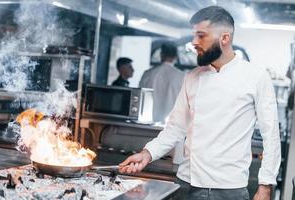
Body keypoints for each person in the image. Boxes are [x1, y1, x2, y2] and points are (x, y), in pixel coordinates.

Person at [119, 6, 281, 200]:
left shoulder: (256, 77)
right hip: (186, 184)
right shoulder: (192, 77)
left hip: (229, 190)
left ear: (225, 38)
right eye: (194, 35)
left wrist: (265, 185)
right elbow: (175, 128)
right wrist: (147, 153)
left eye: (201, 36)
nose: (194, 42)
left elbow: (271, 136)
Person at [139, 42, 185, 123]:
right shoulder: (181, 76)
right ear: (175, 57)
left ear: (161, 55)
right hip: (171, 124)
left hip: (147, 122)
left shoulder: (148, 74)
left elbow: (139, 97)